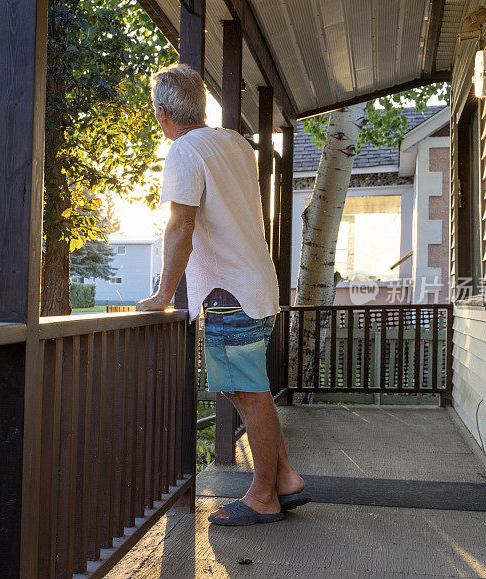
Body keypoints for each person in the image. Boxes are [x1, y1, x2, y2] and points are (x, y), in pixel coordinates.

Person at [136, 63, 309, 526]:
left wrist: (162, 293)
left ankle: (262, 497)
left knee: (249, 395)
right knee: (248, 392)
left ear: (161, 113)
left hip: (227, 291)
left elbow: (181, 225)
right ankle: (286, 478)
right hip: (256, 283)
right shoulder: (233, 142)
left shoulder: (184, 151)